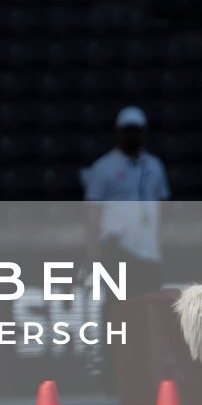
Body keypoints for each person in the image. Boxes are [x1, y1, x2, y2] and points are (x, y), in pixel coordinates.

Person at [82, 107, 172, 284]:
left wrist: (161, 241)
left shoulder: (155, 166)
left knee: (148, 305)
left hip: (150, 251)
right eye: (127, 131)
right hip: (117, 252)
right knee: (119, 306)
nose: (132, 136)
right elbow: (93, 213)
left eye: (136, 131)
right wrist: (92, 251)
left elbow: (164, 205)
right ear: (118, 132)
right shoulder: (103, 167)